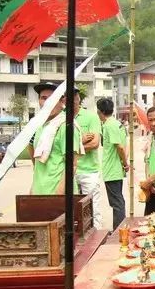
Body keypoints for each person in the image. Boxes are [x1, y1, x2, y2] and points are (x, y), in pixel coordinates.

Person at [28, 83, 82, 195]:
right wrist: (32, 190)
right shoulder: (40, 126)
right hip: (39, 194)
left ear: (62, 101)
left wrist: (59, 197)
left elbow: (72, 165)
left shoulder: (66, 126)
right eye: (43, 98)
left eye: (52, 98)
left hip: (59, 195)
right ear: (39, 101)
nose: (47, 102)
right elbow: (37, 164)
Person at [73, 90, 105, 231]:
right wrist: (81, 141)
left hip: (89, 171)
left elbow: (94, 144)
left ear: (78, 99)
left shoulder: (91, 117)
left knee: (93, 207)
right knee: (72, 209)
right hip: (69, 171)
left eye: (73, 98)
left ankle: (97, 237)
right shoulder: (62, 118)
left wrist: (72, 148)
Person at [97, 97, 129, 230]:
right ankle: (119, 228)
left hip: (112, 169)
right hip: (115, 169)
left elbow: (120, 147)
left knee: (116, 202)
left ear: (99, 111)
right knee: (117, 201)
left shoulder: (109, 125)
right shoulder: (117, 124)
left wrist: (125, 163)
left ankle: (119, 229)